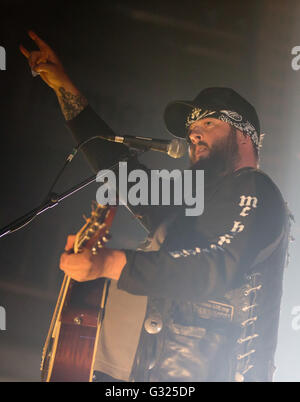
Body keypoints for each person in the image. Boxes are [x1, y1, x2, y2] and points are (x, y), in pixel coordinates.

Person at [20, 31, 292, 382]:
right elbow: (119, 170)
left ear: (244, 135)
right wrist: (63, 87)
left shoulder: (257, 190)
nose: (194, 134)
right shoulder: (191, 200)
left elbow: (217, 265)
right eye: (192, 128)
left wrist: (110, 262)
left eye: (208, 122)